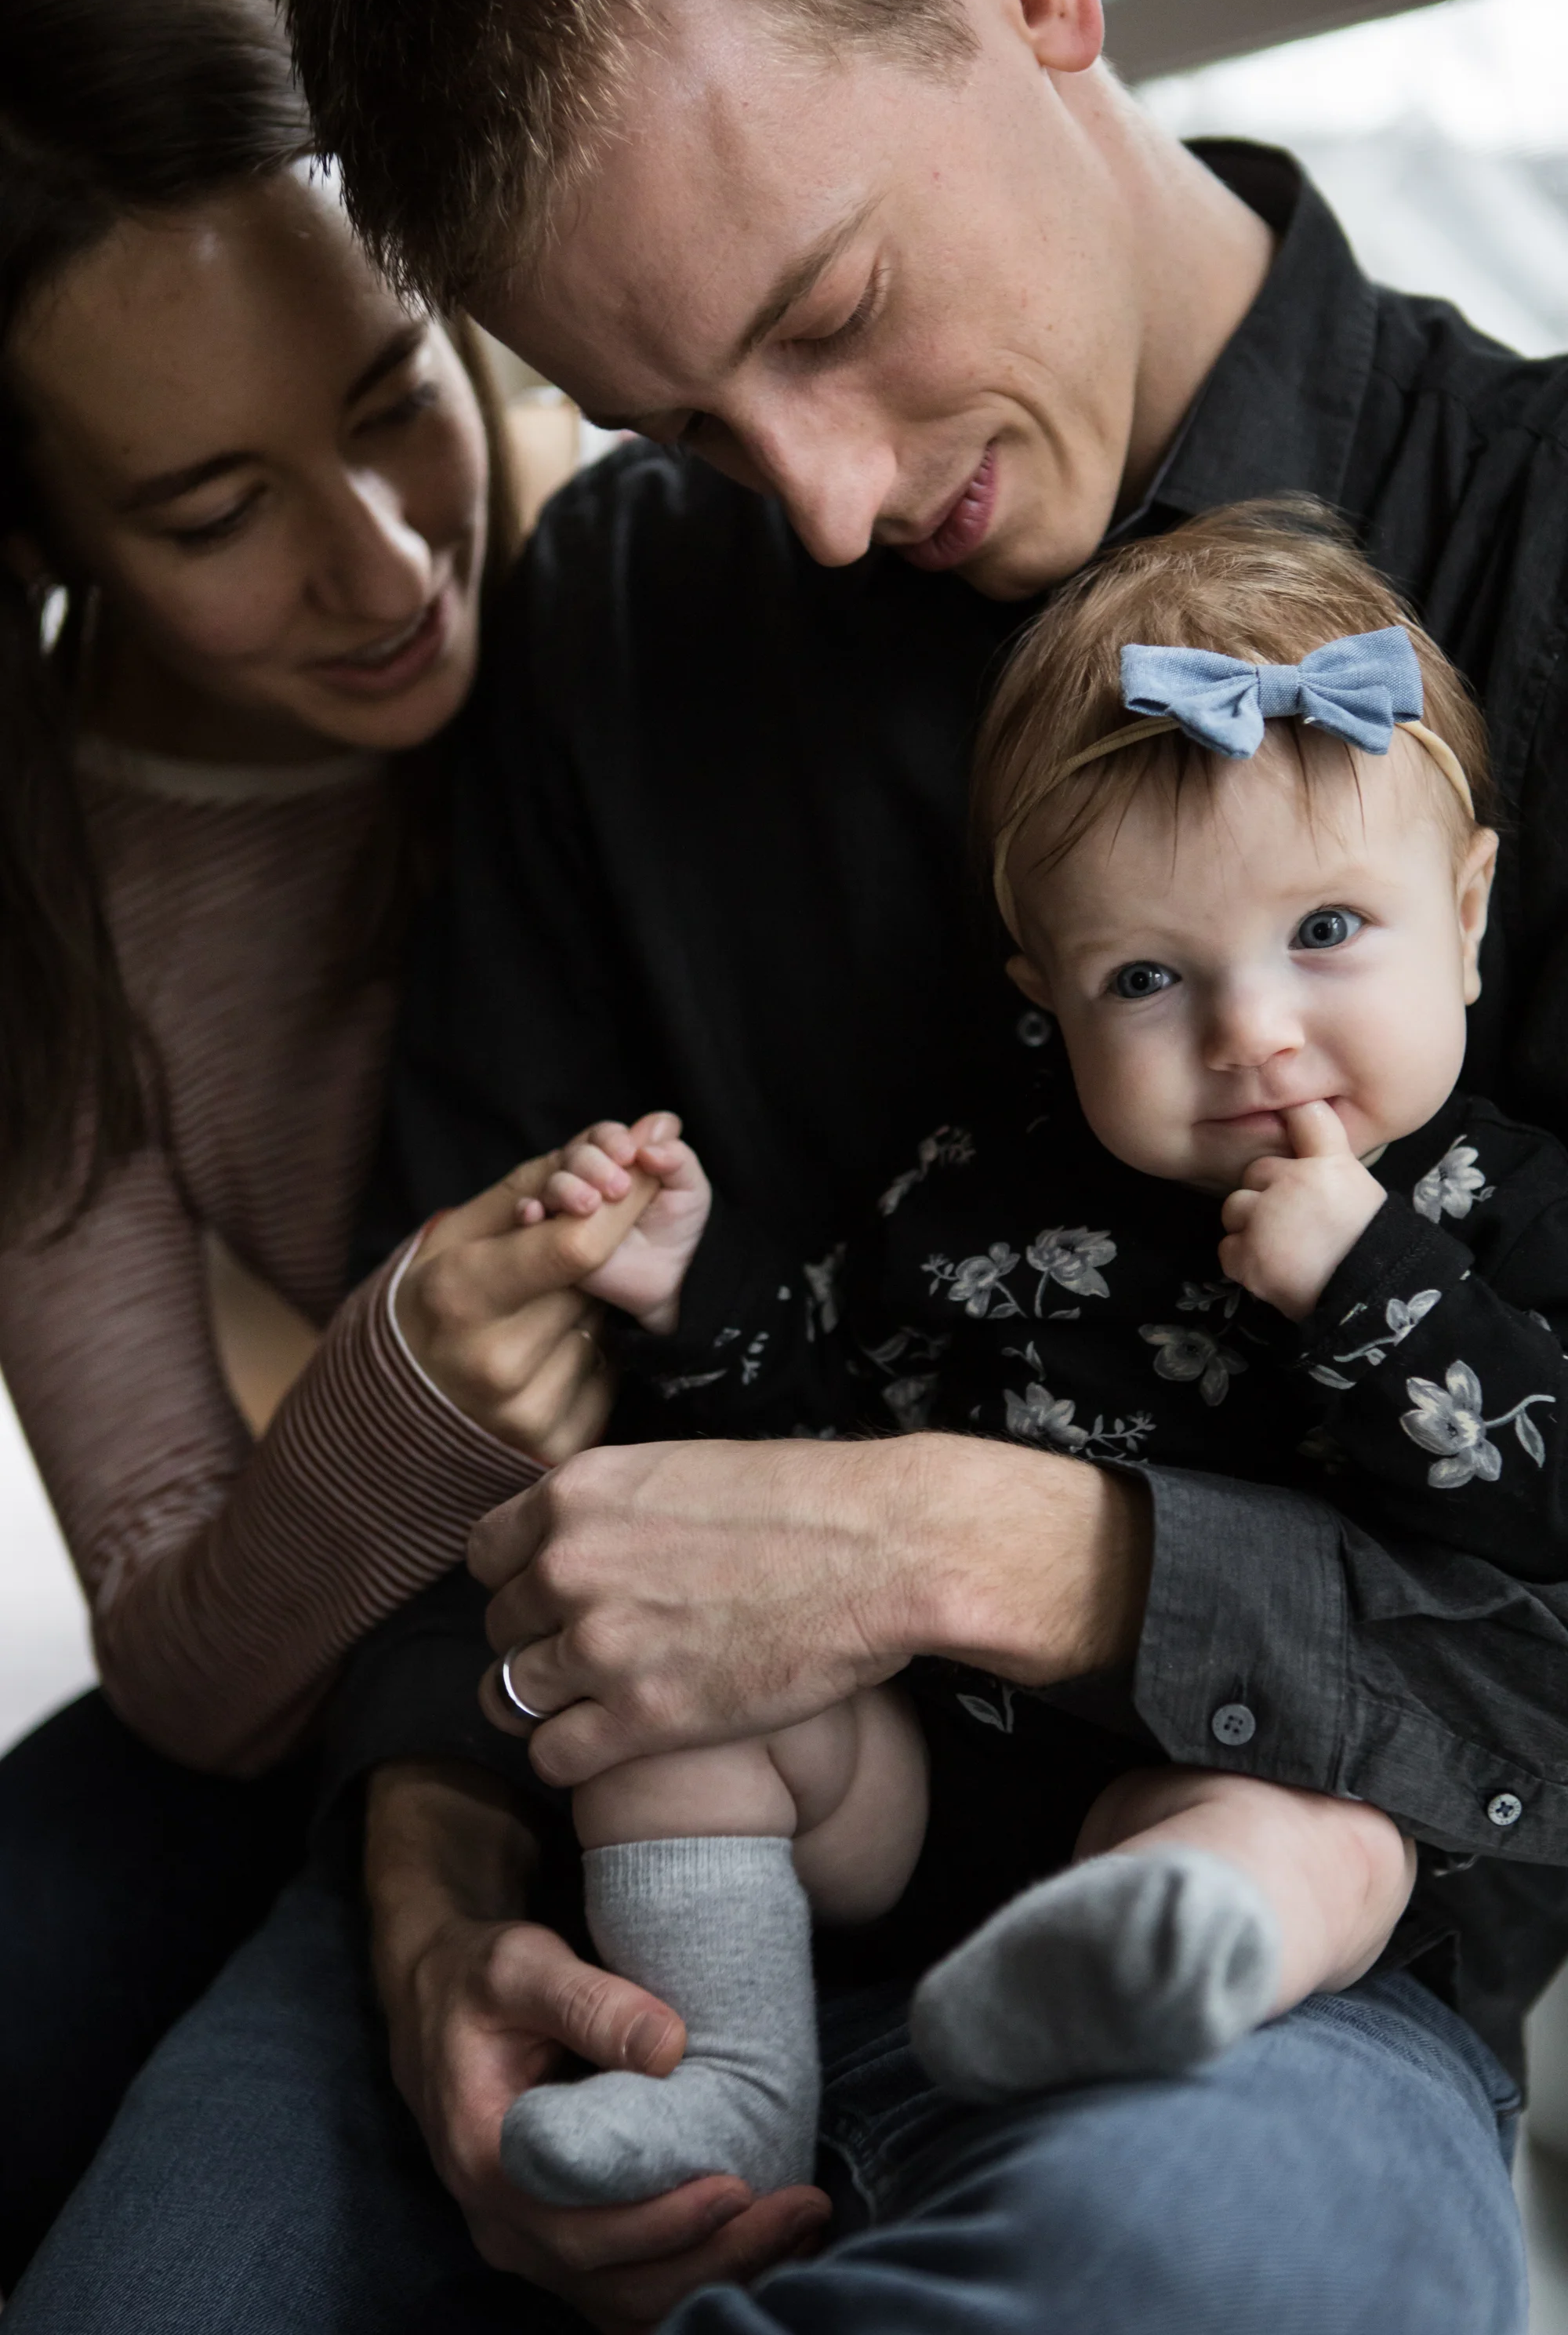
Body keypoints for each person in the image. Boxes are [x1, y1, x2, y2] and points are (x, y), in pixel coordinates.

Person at [16, 0, 1568, 2326]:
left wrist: (974, 1544)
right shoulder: (610, 603)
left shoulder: (1533, 554)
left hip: (1272, 1982)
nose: (824, 508)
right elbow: (462, 1497)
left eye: (830, 311)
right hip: (622, 1877)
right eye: (674, 422)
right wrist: (434, 1908)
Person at [495, 500, 1554, 2210]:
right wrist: (689, 1289)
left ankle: (1116, 1989)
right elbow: (812, 1441)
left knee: (1331, 1847)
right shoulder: (974, 1196)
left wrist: (1372, 1286)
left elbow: (1541, 1509)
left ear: (1470, 909)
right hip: (924, 1782)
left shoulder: (1500, 1214)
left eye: (1325, 932)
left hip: (1233, 1782)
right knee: (660, 1703)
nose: (1249, 1032)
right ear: (1045, 999)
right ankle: (728, 2086)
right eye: (1146, 978)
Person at [0, 0, 616, 2285]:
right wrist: (407, 1395)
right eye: (214, 511)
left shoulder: (652, 571)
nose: (378, 563)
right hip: (346, 1680)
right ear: (48, 535)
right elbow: (176, 1643)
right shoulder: (52, 896)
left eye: (391, 400)